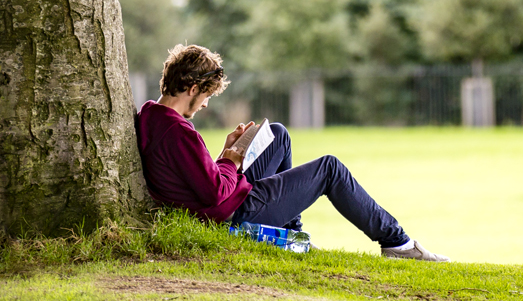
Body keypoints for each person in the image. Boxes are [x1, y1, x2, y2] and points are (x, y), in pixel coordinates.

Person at [135, 44, 449, 262]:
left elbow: (194, 175)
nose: (206, 105)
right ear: (191, 88)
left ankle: (290, 235)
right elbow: (213, 193)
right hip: (232, 211)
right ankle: (398, 243)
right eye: (206, 96)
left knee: (278, 136)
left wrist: (227, 153)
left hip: (225, 201)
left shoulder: (151, 115)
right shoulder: (178, 131)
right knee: (329, 169)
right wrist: (230, 159)